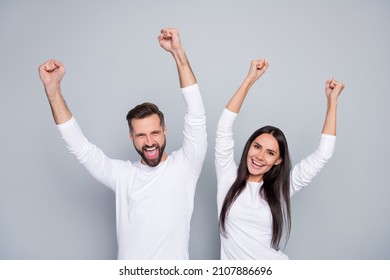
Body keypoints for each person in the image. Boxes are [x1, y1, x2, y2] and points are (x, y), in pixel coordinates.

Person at [38, 28, 207, 260]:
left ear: (165, 131)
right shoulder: (122, 175)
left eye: (155, 133)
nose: (149, 142)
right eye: (141, 135)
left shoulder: (186, 165)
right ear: (131, 137)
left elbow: (196, 115)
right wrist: (53, 91)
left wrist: (178, 53)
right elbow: (80, 148)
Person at [215, 59, 344, 259]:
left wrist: (332, 102)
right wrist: (250, 79)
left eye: (270, 152)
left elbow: (323, 153)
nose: (259, 156)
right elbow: (224, 127)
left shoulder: (281, 188)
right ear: (248, 147)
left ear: (278, 160)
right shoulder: (227, 176)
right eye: (257, 147)